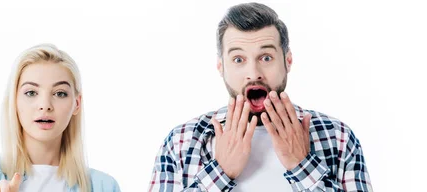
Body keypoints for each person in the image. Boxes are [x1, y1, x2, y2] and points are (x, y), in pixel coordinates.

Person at [148, 3, 372, 191]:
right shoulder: (180, 142)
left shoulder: (338, 137)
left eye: (266, 57)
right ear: (220, 67)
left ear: (288, 61)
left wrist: (302, 166)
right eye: (238, 59)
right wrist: (220, 172)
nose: (253, 73)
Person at [0, 44, 121, 192]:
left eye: (60, 93)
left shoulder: (104, 186)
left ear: (77, 103)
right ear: (14, 101)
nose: (45, 105)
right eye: (31, 92)